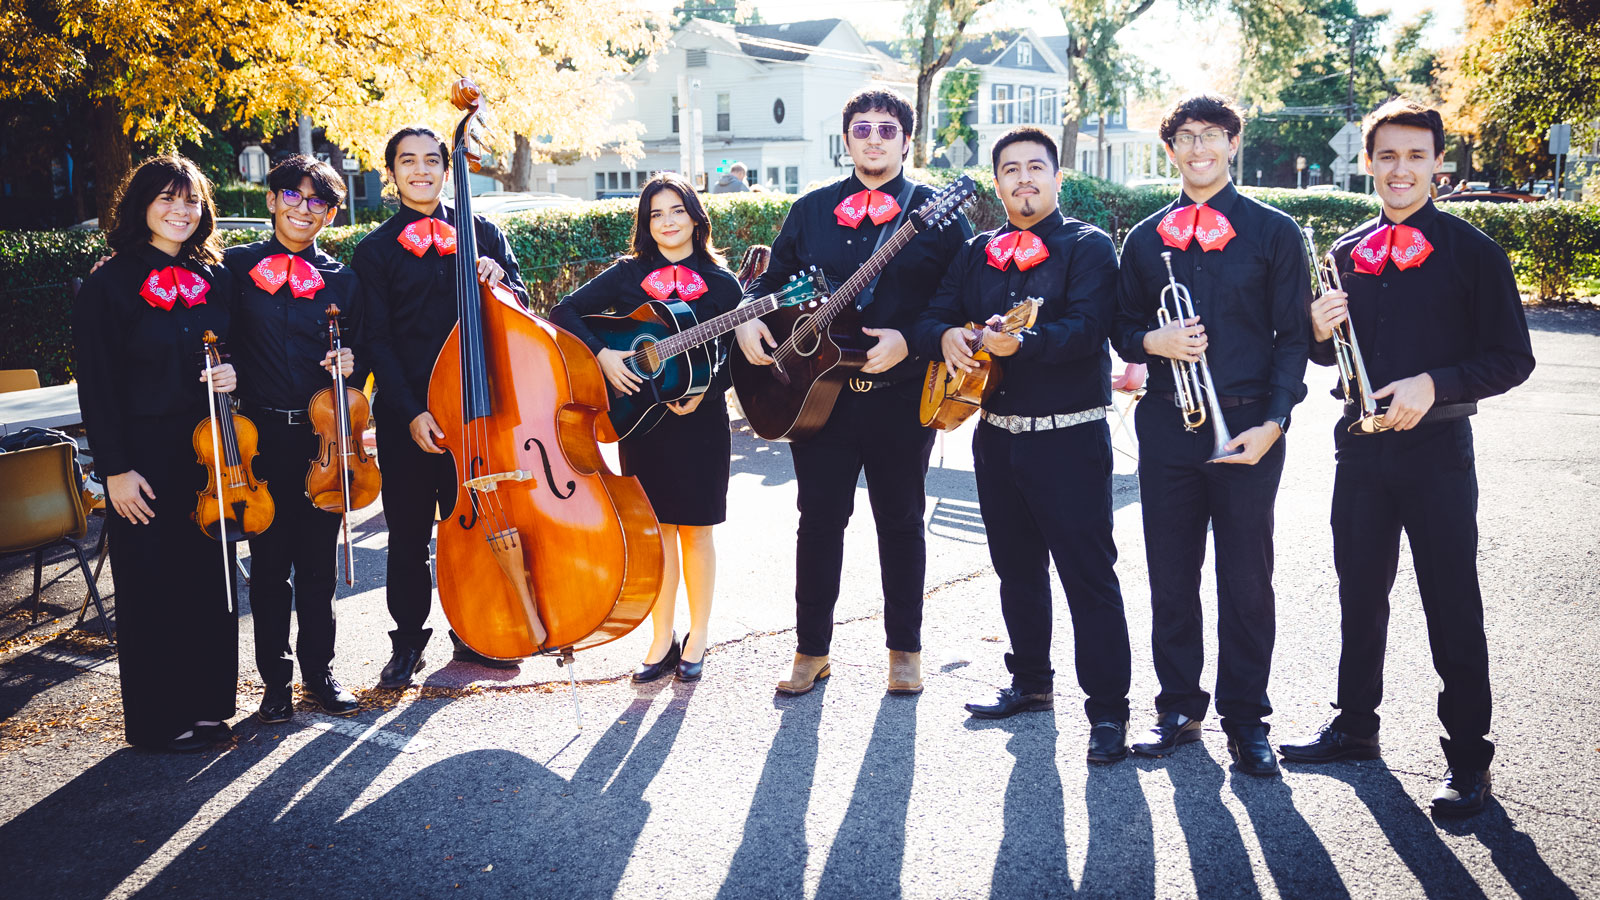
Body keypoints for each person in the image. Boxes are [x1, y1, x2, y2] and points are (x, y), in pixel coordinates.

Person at [1279, 99, 1535, 817]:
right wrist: (1315, 329)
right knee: (1359, 595)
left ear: (1436, 165)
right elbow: (1331, 356)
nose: (1401, 169)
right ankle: (1356, 728)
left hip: (1438, 454)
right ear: (1369, 162)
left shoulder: (1472, 251)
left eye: (1416, 156)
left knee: (1451, 604)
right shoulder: (1343, 252)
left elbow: (1513, 358)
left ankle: (1468, 761)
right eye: (1387, 156)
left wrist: (1435, 383)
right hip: (1359, 451)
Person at [735, 88, 970, 696]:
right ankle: (811, 650)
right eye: (861, 128)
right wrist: (747, 315)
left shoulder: (937, 215)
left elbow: (959, 304)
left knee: (901, 523)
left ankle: (904, 651)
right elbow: (774, 282)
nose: (873, 138)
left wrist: (914, 343)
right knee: (817, 523)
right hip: (819, 396)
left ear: (907, 141)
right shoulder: (811, 209)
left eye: (887, 130)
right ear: (846, 140)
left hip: (900, 395)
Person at [911, 128, 1132, 762]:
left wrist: (1024, 345)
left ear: (1058, 178)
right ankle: (1031, 684)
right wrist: (947, 336)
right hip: (996, 439)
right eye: (1011, 170)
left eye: (1037, 167)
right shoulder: (976, 251)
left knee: (1089, 578)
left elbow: (1090, 330)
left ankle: (1108, 712)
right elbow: (931, 316)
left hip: (1070, 440)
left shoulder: (1088, 246)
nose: (1024, 179)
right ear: (999, 182)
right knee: (1016, 572)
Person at [1111, 94, 1311, 776]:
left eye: (1211, 136)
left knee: (1248, 581)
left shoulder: (1275, 232)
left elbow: (1292, 341)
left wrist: (1275, 422)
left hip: (1250, 423)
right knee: (1171, 575)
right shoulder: (1143, 238)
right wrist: (1150, 339)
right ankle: (1177, 707)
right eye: (1185, 137)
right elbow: (1120, 326)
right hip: (1169, 422)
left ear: (1232, 142)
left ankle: (1248, 719)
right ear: (1170, 148)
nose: (1198, 148)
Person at [73, 155, 240, 751]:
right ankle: (158, 719)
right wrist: (113, 470)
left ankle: (209, 706)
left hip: (207, 452)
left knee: (209, 580)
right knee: (151, 583)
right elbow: (95, 383)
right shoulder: (107, 283)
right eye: (168, 198)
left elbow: (235, 351)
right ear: (141, 204)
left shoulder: (216, 277)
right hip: (141, 456)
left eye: (192, 200)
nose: (181, 211)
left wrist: (230, 374)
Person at [548, 174, 742, 682]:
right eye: (655, 214)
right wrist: (604, 353)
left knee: (697, 531)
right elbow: (563, 311)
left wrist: (707, 389)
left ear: (696, 216)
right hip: (640, 419)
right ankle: (662, 638)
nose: (667, 222)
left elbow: (734, 357)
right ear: (645, 223)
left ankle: (699, 635)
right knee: (657, 532)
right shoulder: (628, 275)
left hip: (700, 422)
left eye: (676, 210)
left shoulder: (723, 284)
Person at [356, 126, 530, 688]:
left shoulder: (482, 232)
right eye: (408, 162)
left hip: (477, 414)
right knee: (407, 534)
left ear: (447, 168)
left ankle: (474, 630)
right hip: (410, 416)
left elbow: (522, 312)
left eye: (433, 160)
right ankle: (407, 643)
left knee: (473, 529)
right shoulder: (375, 250)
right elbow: (376, 340)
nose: (421, 170)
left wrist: (502, 283)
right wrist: (410, 413)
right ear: (392, 173)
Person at [225, 155, 365, 722]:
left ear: (330, 215)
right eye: (293, 195)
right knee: (269, 563)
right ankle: (274, 681)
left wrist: (353, 360)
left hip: (319, 442)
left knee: (318, 566)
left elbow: (365, 350)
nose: (303, 209)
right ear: (271, 199)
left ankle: (320, 671)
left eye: (318, 201)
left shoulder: (342, 280)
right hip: (259, 442)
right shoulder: (234, 267)